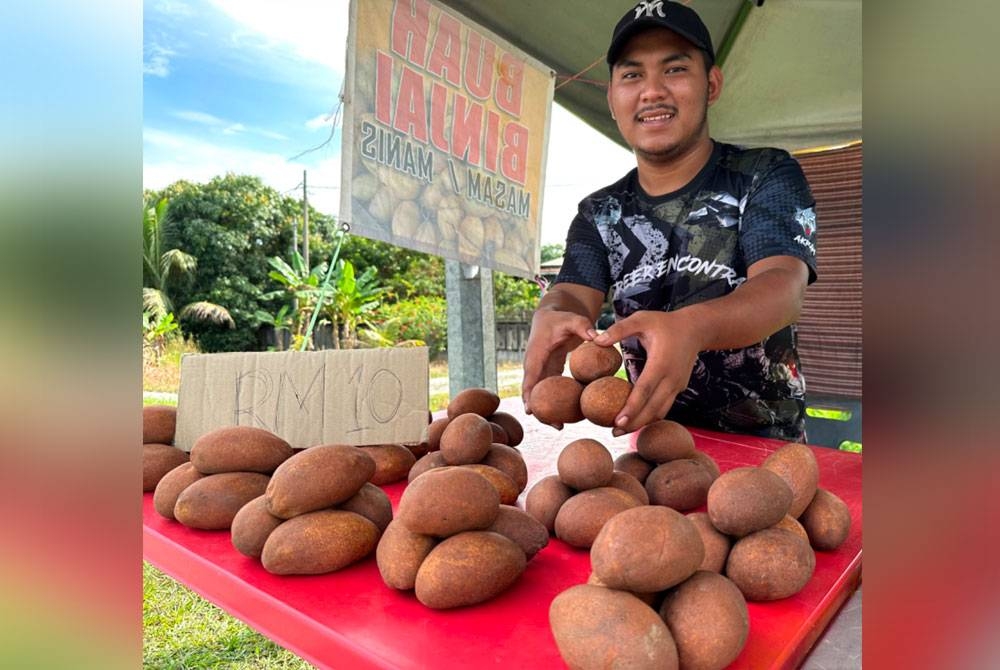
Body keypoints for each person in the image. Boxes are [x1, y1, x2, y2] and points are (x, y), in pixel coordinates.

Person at [522, 1, 818, 441]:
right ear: (612, 96)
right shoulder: (599, 212)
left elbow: (782, 286)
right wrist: (552, 313)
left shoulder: (763, 174)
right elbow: (571, 294)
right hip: (651, 450)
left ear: (711, 83)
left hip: (765, 449)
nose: (652, 91)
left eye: (675, 70)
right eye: (632, 74)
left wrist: (693, 327)